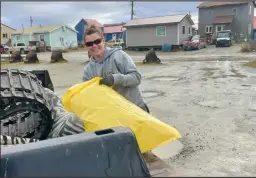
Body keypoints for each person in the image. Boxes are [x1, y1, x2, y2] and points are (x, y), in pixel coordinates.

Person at [82, 24, 150, 113]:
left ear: (103, 40)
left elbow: (137, 78)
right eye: (89, 43)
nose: (94, 45)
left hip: (136, 109)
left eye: (97, 41)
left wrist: (115, 79)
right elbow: (87, 94)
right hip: (114, 116)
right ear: (86, 46)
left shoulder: (118, 55)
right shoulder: (88, 71)